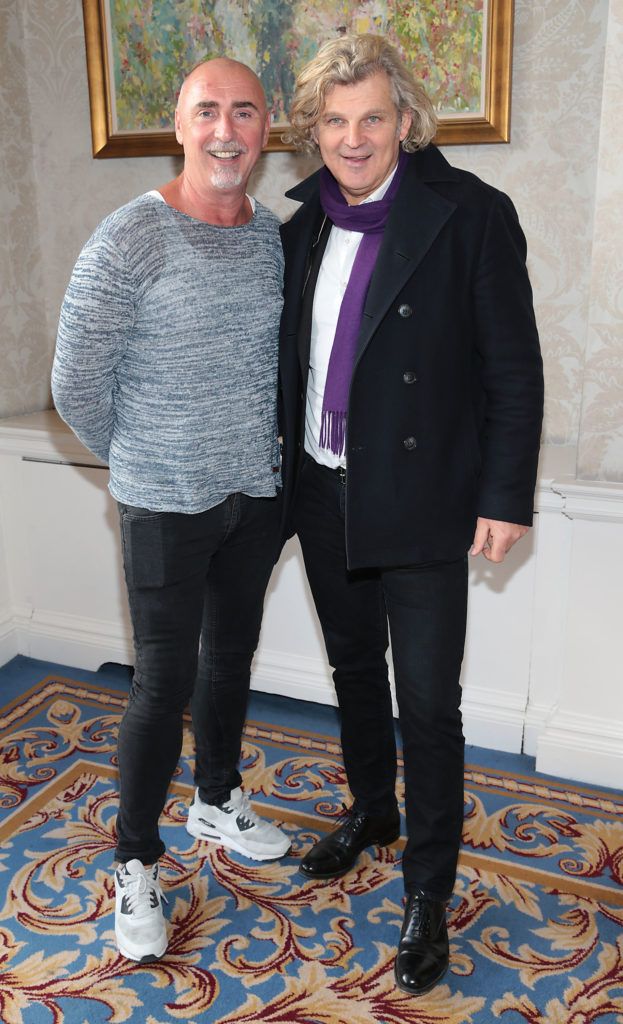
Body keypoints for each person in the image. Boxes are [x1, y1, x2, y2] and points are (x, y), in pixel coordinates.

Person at [278, 34, 544, 996]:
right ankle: (368, 811)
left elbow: (512, 370)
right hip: (322, 486)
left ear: (406, 121)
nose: (352, 141)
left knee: (427, 704)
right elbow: (292, 366)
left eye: (372, 119)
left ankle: (428, 888)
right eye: (335, 122)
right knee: (352, 666)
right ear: (315, 129)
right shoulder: (301, 223)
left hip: (426, 501)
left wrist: (503, 497)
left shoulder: (470, 215)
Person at [52, 57, 290, 965]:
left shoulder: (271, 236)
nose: (225, 129)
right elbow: (76, 384)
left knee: (228, 661)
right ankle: (137, 858)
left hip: (254, 497)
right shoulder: (130, 238)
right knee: (161, 686)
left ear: (266, 127)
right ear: (179, 124)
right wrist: (145, 457)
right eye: (207, 111)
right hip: (162, 502)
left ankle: (217, 801)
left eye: (244, 111)